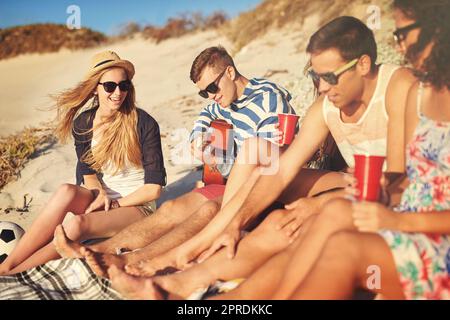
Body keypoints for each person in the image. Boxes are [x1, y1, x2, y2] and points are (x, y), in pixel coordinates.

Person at [97, 15, 418, 299]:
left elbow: (397, 179)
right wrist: (233, 224)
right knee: (254, 167)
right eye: (315, 77)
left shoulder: (397, 85)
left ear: (362, 64)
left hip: (388, 195)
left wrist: (318, 204)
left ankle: (183, 266)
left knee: (279, 222)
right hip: (343, 183)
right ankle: (189, 253)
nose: (321, 87)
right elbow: (283, 168)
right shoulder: (326, 105)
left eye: (330, 77)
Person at [215, 0, 450, 300]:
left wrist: (397, 219)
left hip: (433, 239)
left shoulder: (402, 86)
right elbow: (409, 180)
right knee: (321, 217)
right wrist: (384, 193)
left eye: (402, 34)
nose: (400, 47)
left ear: (437, 28)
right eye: (396, 37)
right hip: (407, 218)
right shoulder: (420, 94)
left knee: (338, 245)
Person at [56, 45, 341, 275]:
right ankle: (100, 251)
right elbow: (205, 117)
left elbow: (272, 161)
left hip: (258, 185)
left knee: (204, 214)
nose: (210, 96)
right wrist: (198, 138)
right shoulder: (220, 101)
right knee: (171, 211)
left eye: (213, 88)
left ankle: (135, 261)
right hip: (228, 180)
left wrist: (222, 159)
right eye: (204, 92)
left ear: (230, 72)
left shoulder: (268, 98)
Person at [0, 50, 167, 275]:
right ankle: (8, 264)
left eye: (124, 85)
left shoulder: (144, 123)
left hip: (136, 207)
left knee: (77, 225)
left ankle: (15, 273)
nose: (118, 93)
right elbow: (87, 172)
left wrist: (116, 204)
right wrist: (100, 194)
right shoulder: (83, 123)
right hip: (103, 200)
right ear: (95, 89)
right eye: (110, 86)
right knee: (66, 191)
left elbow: (154, 189)